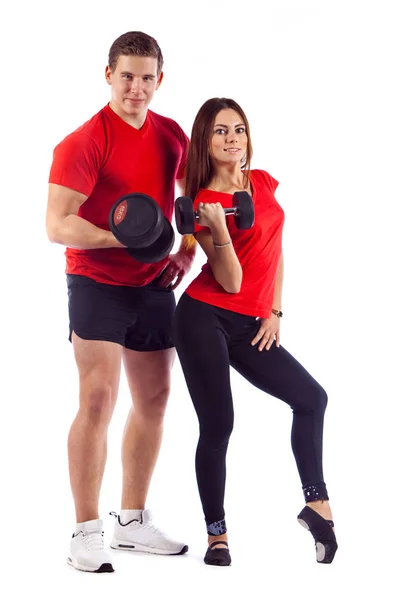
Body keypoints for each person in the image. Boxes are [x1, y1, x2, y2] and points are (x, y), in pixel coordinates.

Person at [46, 31, 196, 573]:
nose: (137, 87)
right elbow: (56, 224)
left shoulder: (172, 135)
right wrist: (125, 237)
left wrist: (185, 249)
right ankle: (85, 531)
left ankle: (131, 523)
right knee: (98, 399)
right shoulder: (84, 141)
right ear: (107, 74)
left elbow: (193, 197)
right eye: (127, 75)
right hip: (96, 283)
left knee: (154, 400)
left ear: (160, 80)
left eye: (147, 77)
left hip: (154, 286)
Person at [172, 97, 338, 567]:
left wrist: (275, 311)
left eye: (239, 129)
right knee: (219, 424)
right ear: (205, 139)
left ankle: (316, 504)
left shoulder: (262, 183)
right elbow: (231, 280)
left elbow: (274, 248)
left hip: (253, 321)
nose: (232, 139)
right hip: (204, 315)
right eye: (221, 131)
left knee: (311, 399)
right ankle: (216, 534)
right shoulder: (202, 202)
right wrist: (217, 230)